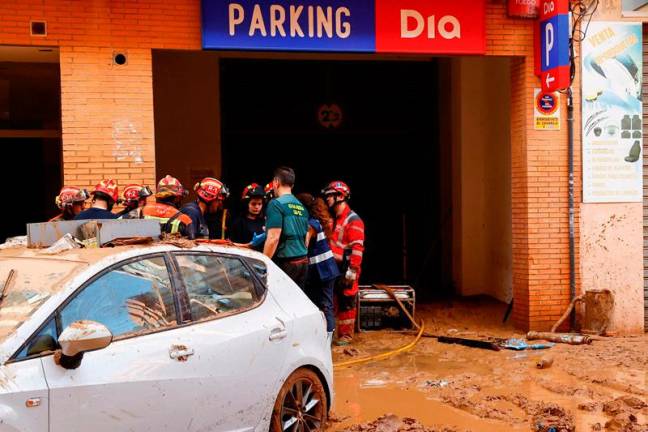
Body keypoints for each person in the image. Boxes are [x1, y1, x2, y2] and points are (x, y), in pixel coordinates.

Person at [322, 180, 365, 346]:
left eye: (330, 196)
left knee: (347, 301)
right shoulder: (334, 219)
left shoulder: (353, 220)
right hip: (334, 268)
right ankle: (331, 334)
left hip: (347, 268)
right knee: (331, 300)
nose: (327, 199)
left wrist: (352, 272)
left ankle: (346, 336)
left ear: (340, 196)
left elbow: (357, 248)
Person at [297, 193, 340, 341]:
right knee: (321, 305)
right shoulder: (314, 221)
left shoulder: (311, 224)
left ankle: (328, 340)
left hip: (325, 271)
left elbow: (305, 243)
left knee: (326, 305)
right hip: (322, 271)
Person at [263, 167, 309, 289]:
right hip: (303, 263)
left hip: (287, 264)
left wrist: (263, 263)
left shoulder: (276, 204)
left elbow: (273, 238)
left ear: (276, 182)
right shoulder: (301, 207)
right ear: (292, 185)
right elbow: (306, 240)